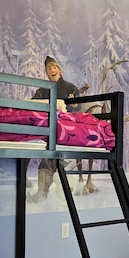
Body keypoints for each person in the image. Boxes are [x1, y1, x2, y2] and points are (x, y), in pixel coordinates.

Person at [27, 56, 86, 203]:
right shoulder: (42, 90)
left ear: (59, 69)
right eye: (49, 68)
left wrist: (73, 106)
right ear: (46, 73)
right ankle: (42, 194)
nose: (52, 70)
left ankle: (42, 194)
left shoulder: (71, 88)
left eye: (54, 67)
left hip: (66, 128)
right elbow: (33, 105)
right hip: (49, 129)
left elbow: (79, 108)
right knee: (48, 158)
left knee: (51, 160)